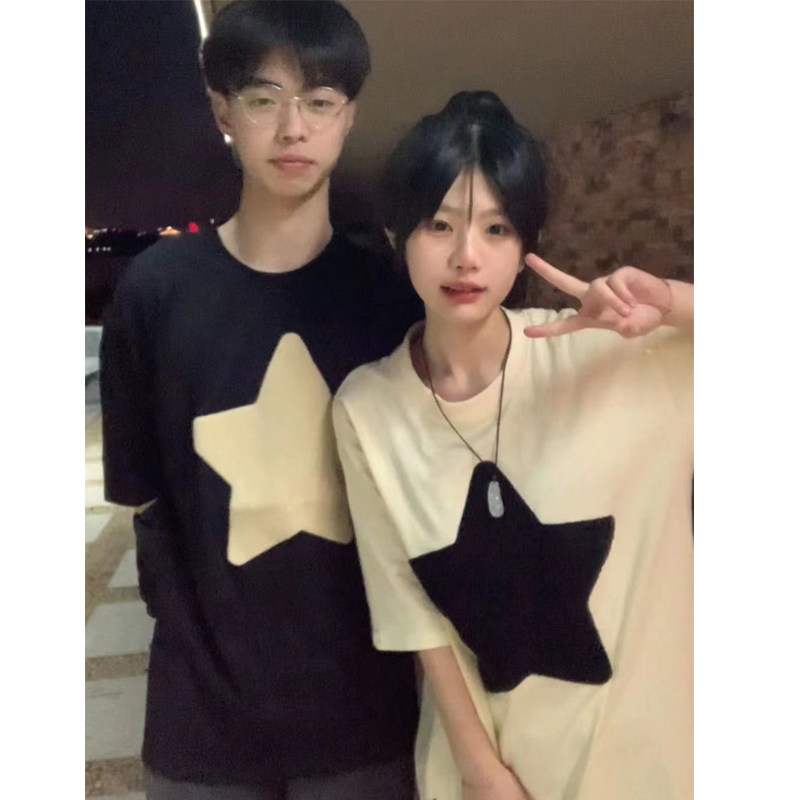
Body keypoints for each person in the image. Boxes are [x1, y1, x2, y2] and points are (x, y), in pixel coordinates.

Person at [332, 91, 693, 800]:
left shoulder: (619, 359)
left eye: (496, 228)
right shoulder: (367, 409)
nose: (466, 256)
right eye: (439, 224)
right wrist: (486, 776)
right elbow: (412, 614)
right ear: (396, 232)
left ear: (526, 244)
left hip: (653, 765)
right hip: (492, 773)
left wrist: (671, 303)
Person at [100, 2, 421, 798]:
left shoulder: (391, 299)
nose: (293, 127)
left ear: (349, 116)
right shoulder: (154, 294)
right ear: (222, 111)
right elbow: (144, 496)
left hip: (364, 719)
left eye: (320, 100)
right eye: (262, 97)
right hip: (202, 721)